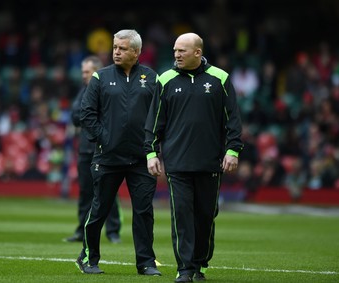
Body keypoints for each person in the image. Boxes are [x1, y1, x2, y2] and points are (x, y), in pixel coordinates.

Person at [144, 32, 244, 282]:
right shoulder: (165, 79)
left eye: (181, 51)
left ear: (197, 53)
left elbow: (233, 119)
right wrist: (151, 153)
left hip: (211, 162)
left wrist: (232, 150)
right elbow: (154, 122)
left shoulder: (220, 78)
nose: (176, 54)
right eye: (175, 50)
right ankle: (185, 269)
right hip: (177, 164)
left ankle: (200, 264)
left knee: (206, 216)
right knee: (182, 216)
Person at [75, 29, 161, 276]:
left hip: (141, 159)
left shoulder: (151, 78)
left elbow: (158, 116)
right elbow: (86, 114)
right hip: (107, 158)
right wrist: (105, 138)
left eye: (122, 48)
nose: (116, 52)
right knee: (100, 208)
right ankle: (88, 258)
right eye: (115, 47)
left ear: (136, 52)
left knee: (144, 212)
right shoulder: (100, 78)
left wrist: (152, 147)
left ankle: (145, 262)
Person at [65, 55, 122, 243]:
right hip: (85, 149)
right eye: (82, 72)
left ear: (97, 71)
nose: (83, 75)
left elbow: (107, 115)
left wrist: (88, 115)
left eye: (87, 72)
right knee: (85, 192)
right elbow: (75, 117)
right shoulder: (83, 91)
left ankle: (113, 231)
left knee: (108, 191)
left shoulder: (108, 89)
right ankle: (82, 230)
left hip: (104, 148)